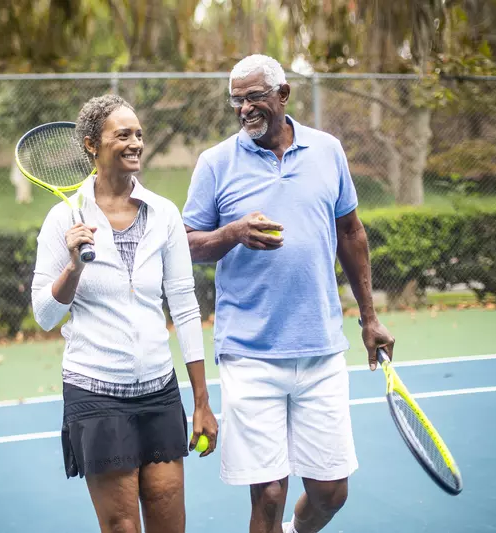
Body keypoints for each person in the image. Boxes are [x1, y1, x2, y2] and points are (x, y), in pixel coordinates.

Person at [182, 54, 395, 533]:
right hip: (249, 352)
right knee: (270, 494)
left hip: (320, 348)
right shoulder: (215, 163)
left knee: (330, 492)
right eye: (236, 100)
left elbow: (351, 232)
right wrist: (232, 233)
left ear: (283, 95)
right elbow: (187, 244)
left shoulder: (327, 151)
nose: (244, 108)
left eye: (254, 96)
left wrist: (369, 318)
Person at [32, 94, 218, 533]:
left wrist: (202, 401)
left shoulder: (165, 215)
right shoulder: (63, 220)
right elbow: (43, 314)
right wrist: (73, 265)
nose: (135, 142)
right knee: (122, 528)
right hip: (96, 393)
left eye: (138, 134)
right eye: (123, 135)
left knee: (171, 525)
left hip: (159, 390)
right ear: (91, 145)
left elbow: (186, 308)